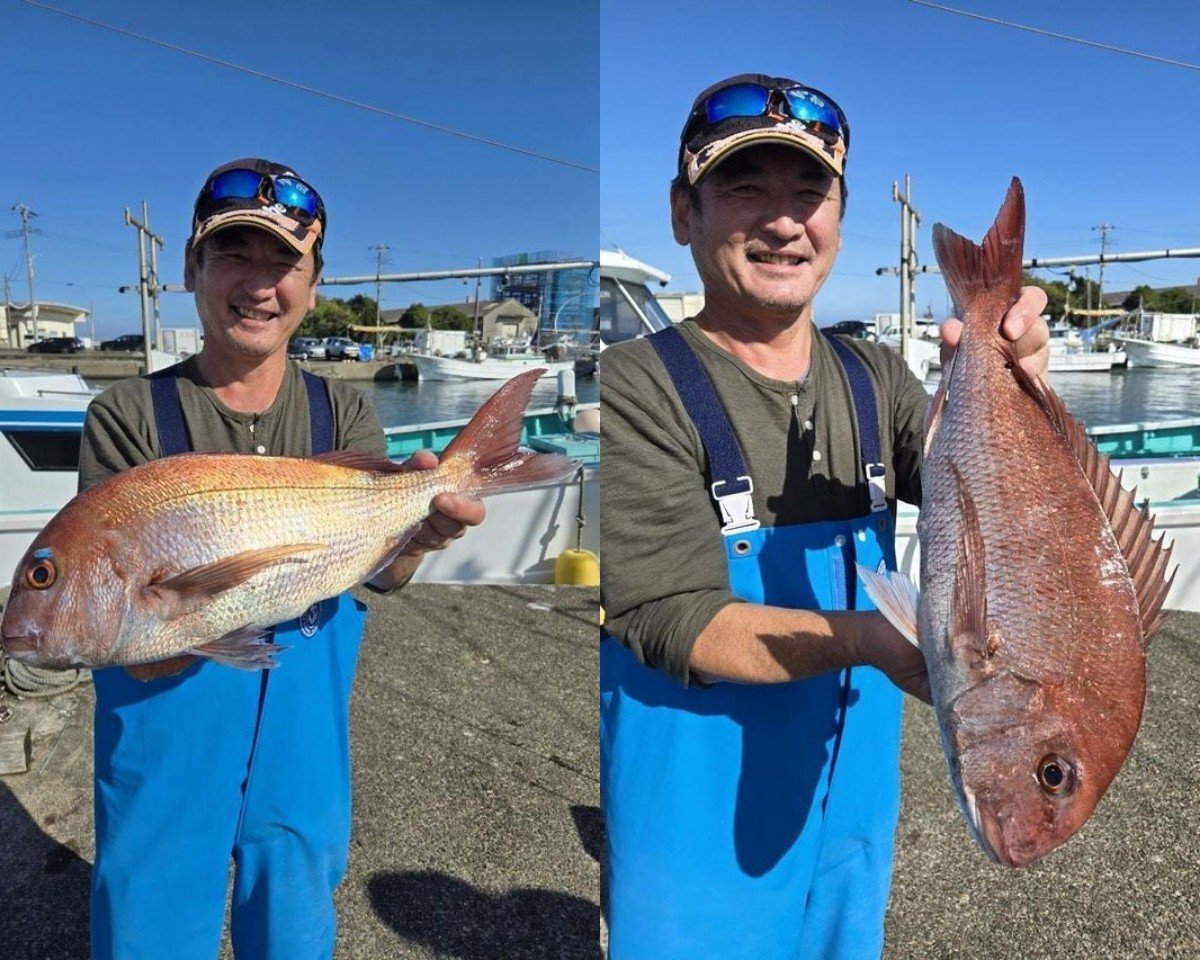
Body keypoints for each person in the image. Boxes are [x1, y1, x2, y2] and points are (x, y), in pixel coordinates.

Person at [599, 75, 1049, 960]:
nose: (782, 222)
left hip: (852, 818)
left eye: (809, 194)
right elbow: (670, 616)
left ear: (840, 219)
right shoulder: (634, 386)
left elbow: (1001, 506)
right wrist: (873, 639)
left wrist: (1021, 379)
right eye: (744, 190)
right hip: (693, 841)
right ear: (683, 212)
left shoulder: (874, 377)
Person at [78, 158, 485, 960]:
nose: (259, 284)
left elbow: (381, 572)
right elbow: (107, 610)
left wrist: (418, 534)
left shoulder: (345, 409)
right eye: (235, 255)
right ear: (193, 267)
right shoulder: (127, 414)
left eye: (283, 262)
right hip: (167, 716)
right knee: (148, 905)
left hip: (305, 724)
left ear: (314, 280)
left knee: (296, 905)